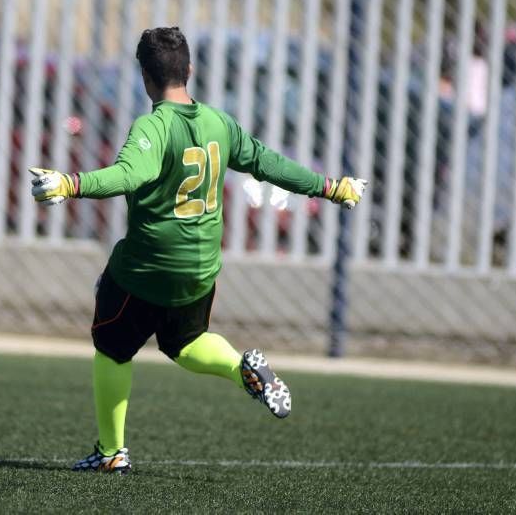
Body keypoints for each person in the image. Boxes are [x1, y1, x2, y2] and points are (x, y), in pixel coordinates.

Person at [29, 27, 367, 474]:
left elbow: (127, 175)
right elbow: (270, 164)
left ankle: (112, 453)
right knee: (186, 342)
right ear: (189, 70)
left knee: (112, 348)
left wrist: (71, 183)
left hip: (149, 268)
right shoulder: (218, 122)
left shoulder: (153, 126)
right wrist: (331, 187)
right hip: (201, 268)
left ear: (146, 79)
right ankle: (241, 369)